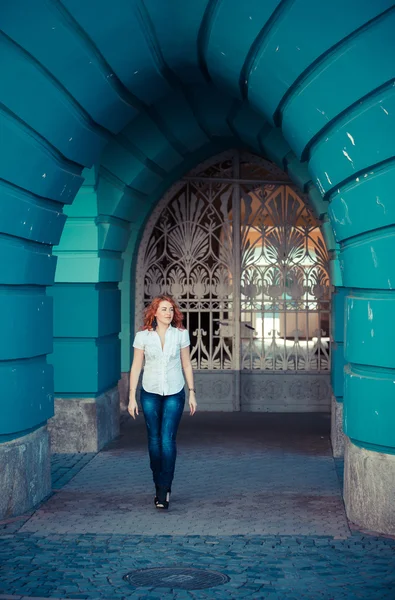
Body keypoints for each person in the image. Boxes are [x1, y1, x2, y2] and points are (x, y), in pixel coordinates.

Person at [128, 295, 197, 510]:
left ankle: (164, 489)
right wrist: (131, 396)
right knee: (154, 441)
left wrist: (192, 391)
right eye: (164, 309)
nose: (168, 313)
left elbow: (186, 364)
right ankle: (158, 481)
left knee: (167, 440)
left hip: (175, 392)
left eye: (171, 309)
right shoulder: (143, 337)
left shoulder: (181, 335)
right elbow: (136, 367)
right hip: (150, 392)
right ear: (155, 312)